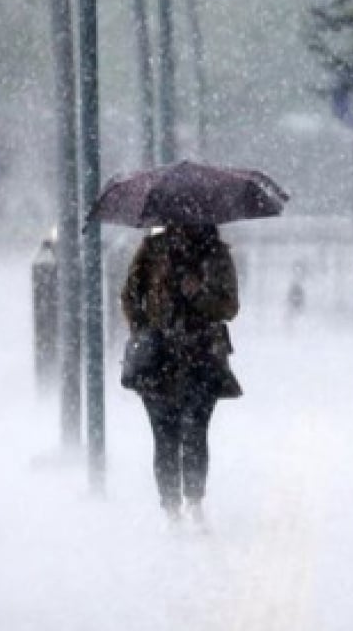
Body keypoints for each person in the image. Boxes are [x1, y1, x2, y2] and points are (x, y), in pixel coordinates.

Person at [120, 223, 241, 529]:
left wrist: (198, 293)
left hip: (201, 358)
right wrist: (144, 329)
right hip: (158, 360)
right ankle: (172, 507)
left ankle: (194, 501)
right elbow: (129, 296)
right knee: (165, 435)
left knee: (195, 431)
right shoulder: (152, 251)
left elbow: (229, 307)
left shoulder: (216, 254)